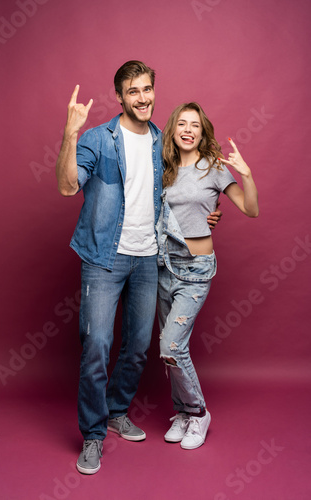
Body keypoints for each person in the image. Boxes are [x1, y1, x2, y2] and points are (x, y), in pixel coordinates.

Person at [56, 61, 222, 474]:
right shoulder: (98, 139)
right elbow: (65, 185)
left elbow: (189, 186)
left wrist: (209, 214)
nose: (143, 97)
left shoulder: (161, 143)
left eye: (148, 89)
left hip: (151, 259)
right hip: (104, 258)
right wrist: (69, 133)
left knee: (137, 348)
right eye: (134, 91)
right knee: (96, 346)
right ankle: (93, 436)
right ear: (120, 96)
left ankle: (116, 411)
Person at [156, 102, 259, 450]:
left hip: (196, 271)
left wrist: (245, 173)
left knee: (170, 344)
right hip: (162, 267)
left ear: (202, 132)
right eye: (181, 124)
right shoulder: (163, 169)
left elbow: (251, 209)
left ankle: (199, 414)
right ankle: (182, 412)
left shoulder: (214, 169)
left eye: (195, 125)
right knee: (171, 349)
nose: (188, 129)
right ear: (172, 130)